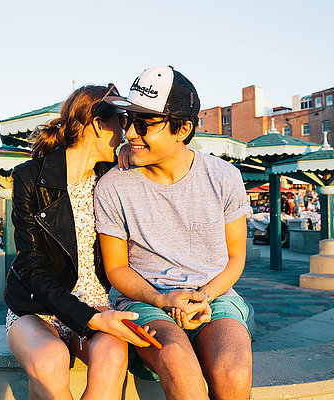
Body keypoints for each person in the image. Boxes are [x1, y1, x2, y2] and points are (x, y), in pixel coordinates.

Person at [95, 66, 253, 399]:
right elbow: (116, 268)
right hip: (144, 299)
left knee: (233, 371)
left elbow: (236, 256)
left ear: (182, 128)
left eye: (144, 124)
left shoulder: (223, 177)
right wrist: (163, 299)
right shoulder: (113, 186)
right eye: (127, 121)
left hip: (215, 296)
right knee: (176, 360)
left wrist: (203, 297)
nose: (131, 134)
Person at [4, 84, 156, 399]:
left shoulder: (113, 179)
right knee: (49, 359)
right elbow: (30, 266)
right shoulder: (30, 178)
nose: (126, 132)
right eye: (122, 121)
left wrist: (139, 156)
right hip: (37, 307)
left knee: (113, 355)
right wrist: (89, 317)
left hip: (97, 304)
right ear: (99, 124)